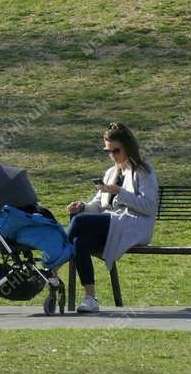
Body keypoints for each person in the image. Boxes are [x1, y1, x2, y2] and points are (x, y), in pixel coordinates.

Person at [66, 121, 159, 314]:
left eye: (116, 151)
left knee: (80, 222)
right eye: (108, 151)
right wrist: (83, 206)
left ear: (128, 148)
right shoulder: (110, 172)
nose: (112, 156)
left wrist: (120, 192)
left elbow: (149, 207)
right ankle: (90, 298)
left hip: (133, 225)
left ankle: (53, 264)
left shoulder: (144, 171)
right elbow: (99, 205)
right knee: (78, 239)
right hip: (112, 223)